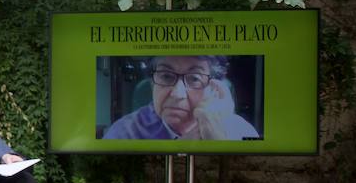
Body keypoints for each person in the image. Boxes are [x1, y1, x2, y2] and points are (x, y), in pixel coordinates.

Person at [102, 55, 259, 140]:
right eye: (166, 76)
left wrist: (215, 136)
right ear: (152, 84)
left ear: (214, 88)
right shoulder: (124, 132)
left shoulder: (241, 132)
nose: (178, 94)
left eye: (194, 78)